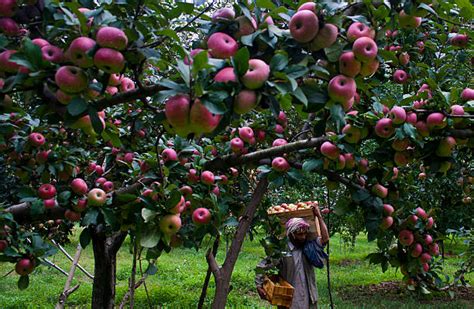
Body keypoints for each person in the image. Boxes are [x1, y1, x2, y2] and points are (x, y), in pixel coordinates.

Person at [255, 206, 329, 309]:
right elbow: (262, 266)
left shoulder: (308, 247)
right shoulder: (281, 250)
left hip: (308, 298)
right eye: (299, 234)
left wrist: (319, 217)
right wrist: (259, 285)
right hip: (289, 301)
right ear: (291, 234)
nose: (303, 237)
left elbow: (325, 239)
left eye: (304, 233)